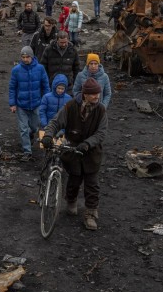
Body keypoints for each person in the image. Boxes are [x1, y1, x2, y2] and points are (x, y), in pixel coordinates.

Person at [41, 77, 107, 230]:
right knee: (74, 180)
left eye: (98, 93)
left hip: (91, 153)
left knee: (92, 185)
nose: (97, 96)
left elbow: (101, 133)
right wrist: (48, 135)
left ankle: (90, 214)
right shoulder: (70, 106)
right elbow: (56, 122)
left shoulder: (101, 110)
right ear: (85, 94)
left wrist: (88, 143)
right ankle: (71, 201)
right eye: (93, 94)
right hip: (73, 151)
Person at [9, 46, 50, 160]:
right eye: (23, 57)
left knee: (35, 127)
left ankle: (31, 133)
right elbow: (12, 87)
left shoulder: (40, 69)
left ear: (32, 57)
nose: (25, 59)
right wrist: (12, 104)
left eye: (27, 57)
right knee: (23, 129)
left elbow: (45, 85)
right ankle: (27, 151)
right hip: (21, 104)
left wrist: (46, 100)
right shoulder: (16, 70)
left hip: (36, 103)